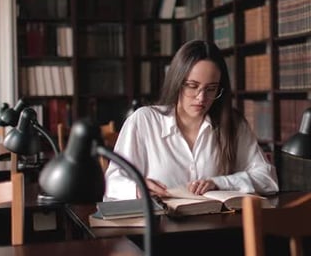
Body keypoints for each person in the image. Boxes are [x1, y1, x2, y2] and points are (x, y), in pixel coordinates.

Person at [104, 40, 279, 200]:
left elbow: (267, 178)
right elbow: (112, 182)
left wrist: (219, 183)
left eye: (211, 89)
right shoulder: (145, 121)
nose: (201, 98)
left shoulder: (232, 123)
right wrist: (138, 189)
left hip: (216, 227)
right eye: (192, 86)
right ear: (177, 82)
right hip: (160, 228)